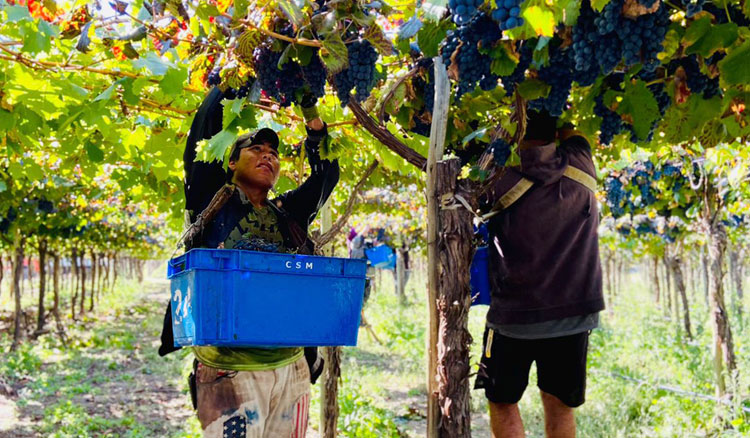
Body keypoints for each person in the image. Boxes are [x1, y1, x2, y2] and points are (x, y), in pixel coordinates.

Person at [159, 88, 338, 438]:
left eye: (273, 153)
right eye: (255, 149)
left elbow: (325, 177)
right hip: (230, 370)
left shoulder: (288, 214)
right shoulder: (211, 200)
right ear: (230, 162)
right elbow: (203, 134)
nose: (267, 156)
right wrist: (231, 83)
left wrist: (312, 117)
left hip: (290, 368)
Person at [475, 110, 604, 438]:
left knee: (502, 401)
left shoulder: (497, 178)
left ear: (516, 132)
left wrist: (501, 133)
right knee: (559, 403)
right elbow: (573, 135)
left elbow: (478, 173)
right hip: (574, 313)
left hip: (513, 318)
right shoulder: (581, 164)